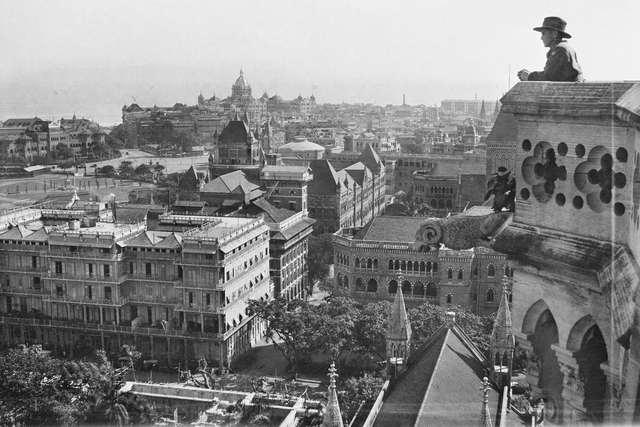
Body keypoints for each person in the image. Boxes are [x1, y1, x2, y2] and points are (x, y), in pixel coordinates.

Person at [517, 16, 585, 82]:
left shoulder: (560, 50)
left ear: (554, 34)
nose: (541, 38)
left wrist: (529, 76)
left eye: (543, 34)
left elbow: (548, 76)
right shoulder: (565, 48)